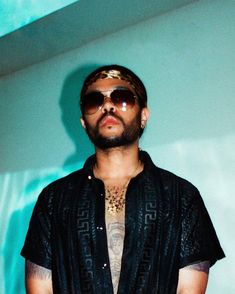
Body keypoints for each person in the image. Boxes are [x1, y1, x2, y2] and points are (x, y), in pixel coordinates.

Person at [21, 64, 225, 294]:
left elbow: (189, 289)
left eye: (122, 97)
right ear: (83, 122)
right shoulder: (54, 199)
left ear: (143, 115)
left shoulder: (181, 196)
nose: (107, 105)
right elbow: (40, 288)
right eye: (94, 101)